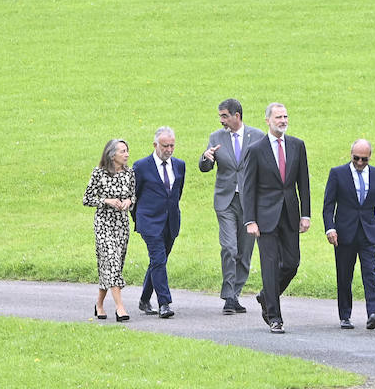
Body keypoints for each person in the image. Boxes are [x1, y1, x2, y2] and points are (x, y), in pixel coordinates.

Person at [240, 102, 310, 334]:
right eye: (278, 117)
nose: (283, 121)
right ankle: (275, 317)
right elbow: (248, 187)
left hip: (290, 213)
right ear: (268, 120)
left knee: (292, 263)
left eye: (285, 116)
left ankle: (266, 296)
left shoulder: (297, 145)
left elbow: (303, 183)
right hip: (265, 217)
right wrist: (250, 220)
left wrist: (305, 215)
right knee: (269, 266)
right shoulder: (256, 149)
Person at [198, 98, 266, 314]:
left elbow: (266, 167)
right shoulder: (216, 137)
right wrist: (206, 158)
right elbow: (205, 167)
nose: (221, 121)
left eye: (224, 116)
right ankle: (228, 296)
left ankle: (235, 294)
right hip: (225, 201)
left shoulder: (257, 136)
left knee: (245, 252)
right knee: (229, 247)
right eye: (220, 116)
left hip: (249, 203)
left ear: (237, 116)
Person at [322, 139, 375, 330]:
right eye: (356, 158)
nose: (360, 163)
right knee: (345, 275)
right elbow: (328, 206)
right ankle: (345, 315)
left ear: (370, 157)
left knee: (369, 272)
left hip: (369, 232)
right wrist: (330, 228)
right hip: (344, 233)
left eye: (364, 159)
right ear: (350, 155)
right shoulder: (338, 173)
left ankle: (374, 312)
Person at [82, 138, 136, 322]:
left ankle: (99, 304)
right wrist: (106, 201)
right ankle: (120, 308)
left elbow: (133, 195)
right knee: (111, 261)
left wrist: (129, 201)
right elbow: (87, 198)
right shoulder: (99, 173)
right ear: (112, 155)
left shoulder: (130, 173)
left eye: (127, 151)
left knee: (114, 266)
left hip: (121, 223)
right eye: (123, 151)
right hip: (104, 224)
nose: (127, 154)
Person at [133, 126, 185, 318]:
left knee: (158, 262)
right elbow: (134, 195)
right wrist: (139, 219)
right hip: (149, 221)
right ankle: (164, 303)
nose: (169, 150)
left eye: (172, 146)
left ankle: (144, 299)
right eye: (165, 146)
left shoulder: (179, 165)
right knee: (158, 259)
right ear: (155, 145)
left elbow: (177, 194)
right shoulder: (141, 166)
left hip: (170, 222)